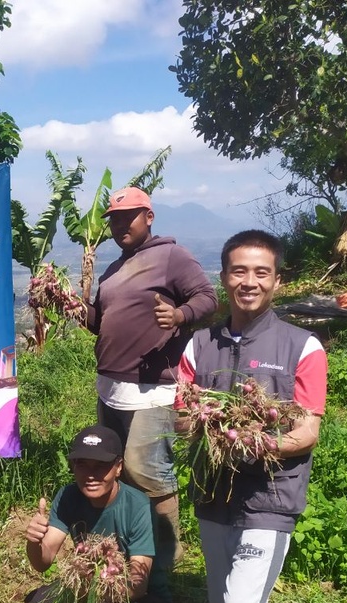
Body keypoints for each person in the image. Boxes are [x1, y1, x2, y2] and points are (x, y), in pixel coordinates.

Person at [178, 230, 327, 603]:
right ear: (224, 278)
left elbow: (306, 430)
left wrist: (253, 441)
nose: (249, 281)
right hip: (215, 497)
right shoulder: (199, 345)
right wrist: (208, 426)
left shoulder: (302, 346)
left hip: (269, 498)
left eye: (261, 272)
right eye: (239, 271)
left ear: (277, 281)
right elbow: (183, 412)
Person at [86, 187, 217, 564]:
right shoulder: (113, 270)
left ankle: (166, 554)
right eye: (115, 219)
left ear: (149, 216)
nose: (121, 225)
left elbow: (206, 297)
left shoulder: (171, 256)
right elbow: (102, 323)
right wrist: (78, 310)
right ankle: (132, 543)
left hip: (153, 389)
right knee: (118, 467)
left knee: (147, 470)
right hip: (111, 388)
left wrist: (178, 316)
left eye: (129, 216)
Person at [23, 425, 172, 603]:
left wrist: (92, 589)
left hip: (136, 600)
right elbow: (43, 562)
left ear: (118, 467)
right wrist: (34, 541)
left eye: (100, 466)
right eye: (82, 465)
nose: (90, 475)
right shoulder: (68, 496)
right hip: (91, 595)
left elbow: (138, 585)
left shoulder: (138, 505)